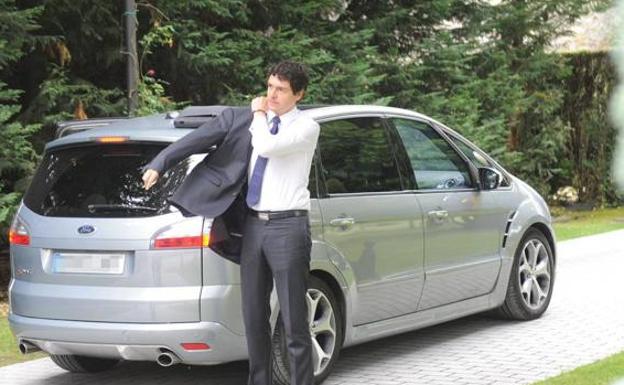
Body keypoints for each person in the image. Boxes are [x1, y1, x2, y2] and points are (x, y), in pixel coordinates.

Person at [242, 61, 319, 385]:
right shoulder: (260, 123)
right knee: (253, 316)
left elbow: (268, 147)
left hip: (288, 226)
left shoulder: (305, 126)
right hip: (254, 226)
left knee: (293, 319)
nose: (271, 94)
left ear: (298, 94)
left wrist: (258, 114)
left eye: (281, 89)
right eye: (270, 86)